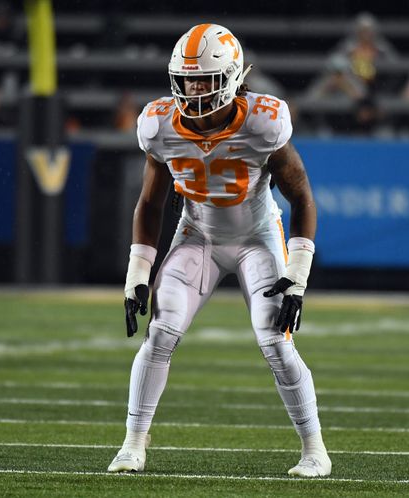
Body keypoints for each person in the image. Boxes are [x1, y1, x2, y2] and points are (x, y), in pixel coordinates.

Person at [107, 24, 331, 477]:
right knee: (161, 332)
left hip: (257, 238)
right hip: (198, 237)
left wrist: (299, 274)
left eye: (205, 78)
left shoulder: (263, 121)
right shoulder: (158, 124)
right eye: (187, 78)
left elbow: (302, 196)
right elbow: (149, 203)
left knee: (276, 342)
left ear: (230, 77)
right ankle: (133, 444)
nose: (194, 88)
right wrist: (137, 273)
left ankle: (315, 450)